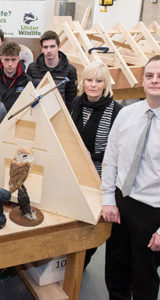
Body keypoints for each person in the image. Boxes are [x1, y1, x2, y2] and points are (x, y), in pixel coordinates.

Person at [101, 55, 160, 299]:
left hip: (152, 211)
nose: (155, 80)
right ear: (142, 80)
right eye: (149, 75)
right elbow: (111, 158)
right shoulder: (126, 114)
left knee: (144, 276)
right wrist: (108, 200)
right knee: (116, 268)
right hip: (121, 203)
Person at [70, 61, 122, 269]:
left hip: (100, 177)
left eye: (98, 81)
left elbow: (117, 151)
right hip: (75, 174)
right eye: (89, 80)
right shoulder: (76, 103)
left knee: (92, 224)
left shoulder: (116, 110)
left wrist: (92, 155)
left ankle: (83, 262)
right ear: (83, 82)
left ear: (105, 84)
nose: (93, 85)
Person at [27, 30, 77, 111]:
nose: (49, 50)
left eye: (52, 46)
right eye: (45, 47)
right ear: (41, 48)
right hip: (38, 112)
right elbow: (29, 95)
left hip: (60, 115)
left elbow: (71, 100)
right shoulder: (32, 68)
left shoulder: (70, 70)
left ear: (59, 46)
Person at [0, 41, 32, 112]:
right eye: (6, 59)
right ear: (1, 59)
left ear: (18, 59)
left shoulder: (27, 81)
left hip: (17, 120)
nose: (10, 64)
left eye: (13, 59)